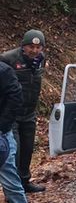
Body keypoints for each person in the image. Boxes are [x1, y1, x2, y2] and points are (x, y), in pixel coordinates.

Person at [0, 30, 47, 193]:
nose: (34, 51)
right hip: (11, 114)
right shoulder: (8, 59)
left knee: (27, 150)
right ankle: (11, 189)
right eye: (30, 47)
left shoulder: (40, 60)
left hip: (30, 113)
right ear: (23, 46)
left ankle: (25, 182)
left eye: (38, 47)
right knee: (15, 152)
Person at [0, 61, 28, 203]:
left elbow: (16, 98)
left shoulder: (4, 71)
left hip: (2, 136)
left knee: (11, 183)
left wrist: (2, 126)